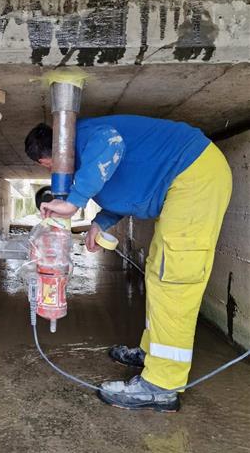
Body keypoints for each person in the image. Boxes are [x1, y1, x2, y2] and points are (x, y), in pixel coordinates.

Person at [24, 116, 232, 412]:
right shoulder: (86, 163)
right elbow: (125, 193)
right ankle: (152, 354)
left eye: (47, 166)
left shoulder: (87, 137)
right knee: (157, 273)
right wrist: (100, 223)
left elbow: (113, 144)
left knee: (174, 279)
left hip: (194, 177)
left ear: (50, 158)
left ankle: (162, 385)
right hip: (180, 184)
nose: (54, 172)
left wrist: (74, 201)